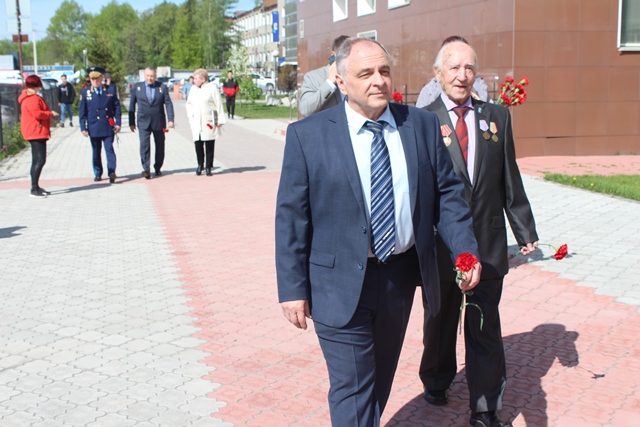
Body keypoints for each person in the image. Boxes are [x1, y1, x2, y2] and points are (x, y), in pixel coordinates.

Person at [275, 37, 482, 427]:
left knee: (377, 383)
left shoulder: (420, 125)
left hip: (397, 280)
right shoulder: (308, 135)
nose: (379, 80)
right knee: (353, 387)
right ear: (340, 80)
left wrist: (465, 252)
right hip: (336, 283)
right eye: (366, 73)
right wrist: (291, 288)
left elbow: (448, 197)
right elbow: (291, 217)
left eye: (384, 71)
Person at [419, 40, 539, 427]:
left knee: (484, 326)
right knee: (440, 320)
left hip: (487, 244)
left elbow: (509, 177)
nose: (462, 75)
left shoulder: (496, 117)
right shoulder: (423, 121)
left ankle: (485, 408)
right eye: (453, 67)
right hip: (442, 246)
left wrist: (524, 228)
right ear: (438, 74)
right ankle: (436, 379)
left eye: (469, 67)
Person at [415, 36, 489, 108]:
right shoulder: (430, 91)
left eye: (468, 68)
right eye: (455, 68)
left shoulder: (480, 89)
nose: (462, 77)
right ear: (438, 72)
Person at [129, 67, 175, 178]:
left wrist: (171, 119)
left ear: (155, 76)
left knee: (160, 146)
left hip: (158, 122)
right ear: (144, 76)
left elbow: (168, 104)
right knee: (144, 146)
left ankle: (158, 167)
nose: (149, 78)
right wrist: (131, 122)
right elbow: (131, 105)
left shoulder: (162, 87)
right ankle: (146, 169)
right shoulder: (137, 87)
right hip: (143, 121)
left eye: (152, 76)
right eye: (148, 76)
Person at [79, 66, 122, 183]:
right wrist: (83, 127)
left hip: (107, 125)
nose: (95, 81)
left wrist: (118, 123)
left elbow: (117, 108)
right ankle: (98, 172)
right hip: (93, 126)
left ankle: (112, 171)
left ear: (102, 78)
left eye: (97, 78)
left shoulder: (110, 90)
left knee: (109, 149)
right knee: (96, 151)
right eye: (92, 79)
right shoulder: (86, 92)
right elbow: (82, 112)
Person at [18, 75, 59, 198]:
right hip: (36, 131)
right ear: (37, 85)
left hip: (34, 131)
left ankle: (35, 186)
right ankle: (34, 188)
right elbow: (38, 114)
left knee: (37, 160)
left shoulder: (28, 97)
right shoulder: (32, 99)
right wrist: (50, 114)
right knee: (40, 160)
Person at [185, 68, 226, 176]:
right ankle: (200, 164)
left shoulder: (212, 88)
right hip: (196, 121)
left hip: (208, 121)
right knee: (198, 143)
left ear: (203, 79)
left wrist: (220, 119)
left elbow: (218, 104)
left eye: (196, 78)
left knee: (209, 144)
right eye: (194, 78)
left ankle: (208, 166)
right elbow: (189, 104)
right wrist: (191, 116)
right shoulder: (193, 89)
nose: (194, 80)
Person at [298, 34, 349, 117]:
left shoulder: (358, 76)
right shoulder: (313, 77)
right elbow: (305, 110)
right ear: (333, 55)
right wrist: (330, 83)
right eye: (344, 56)